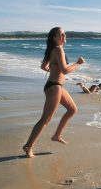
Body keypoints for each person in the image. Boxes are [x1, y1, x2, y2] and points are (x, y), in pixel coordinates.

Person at [23, 27, 85, 158]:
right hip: (54, 87)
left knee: (72, 109)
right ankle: (28, 146)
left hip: (57, 86)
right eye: (60, 35)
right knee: (46, 119)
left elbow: (43, 66)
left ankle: (57, 135)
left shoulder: (53, 50)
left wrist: (52, 69)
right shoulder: (58, 49)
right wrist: (78, 63)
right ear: (54, 38)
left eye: (64, 34)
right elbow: (65, 70)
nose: (63, 36)